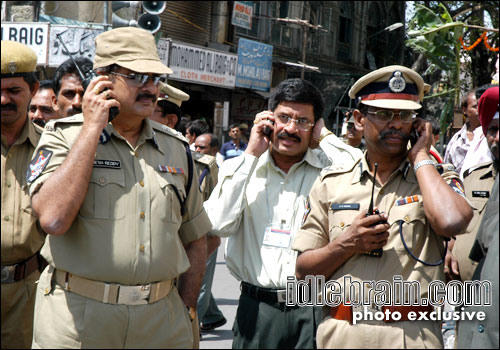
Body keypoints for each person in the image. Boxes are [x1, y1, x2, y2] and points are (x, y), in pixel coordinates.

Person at [27, 27, 211, 348]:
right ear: (103, 80)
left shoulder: (176, 147)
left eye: (155, 78)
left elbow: (195, 239)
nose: (150, 87)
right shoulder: (63, 135)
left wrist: (187, 307)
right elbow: (53, 219)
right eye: (137, 76)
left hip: (160, 321)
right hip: (79, 320)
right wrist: (92, 129)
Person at [293, 65, 473, 349]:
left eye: (405, 115)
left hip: (411, 336)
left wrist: (421, 155)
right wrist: (347, 244)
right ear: (359, 119)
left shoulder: (434, 178)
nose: (396, 124)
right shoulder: (332, 182)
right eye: (385, 114)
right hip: (344, 333)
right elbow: (304, 274)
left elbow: (452, 222)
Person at [204, 78, 363, 349]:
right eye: (284, 118)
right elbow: (217, 224)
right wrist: (251, 154)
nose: (291, 128)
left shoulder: (331, 172)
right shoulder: (240, 168)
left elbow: (362, 167)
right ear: (268, 120)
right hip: (256, 310)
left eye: (303, 121)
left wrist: (325, 137)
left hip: (314, 309)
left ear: (315, 127)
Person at [1, 40, 45, 349]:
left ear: (34, 89)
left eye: (14, 91)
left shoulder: (53, 148)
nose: (3, 99)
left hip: (28, 291)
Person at [193, 133, 227, 333]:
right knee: (195, 277)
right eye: (195, 146)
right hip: (191, 231)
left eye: (202, 148)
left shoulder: (217, 170)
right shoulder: (193, 165)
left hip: (207, 233)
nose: (197, 151)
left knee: (201, 282)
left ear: (214, 150)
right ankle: (213, 315)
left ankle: (192, 325)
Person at [444, 89, 480, 175]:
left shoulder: (492, 137)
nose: (479, 110)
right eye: (475, 106)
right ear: (464, 110)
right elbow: (447, 173)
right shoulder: (456, 141)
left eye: (482, 105)